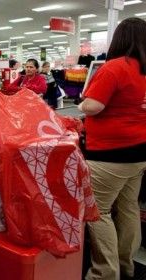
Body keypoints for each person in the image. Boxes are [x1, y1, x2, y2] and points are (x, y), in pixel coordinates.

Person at [78, 17, 146, 280]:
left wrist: (83, 106)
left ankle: (104, 273)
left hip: (110, 155)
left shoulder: (114, 68)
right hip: (139, 153)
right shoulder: (143, 69)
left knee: (99, 212)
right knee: (128, 208)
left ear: (120, 39)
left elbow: (93, 106)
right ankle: (126, 265)